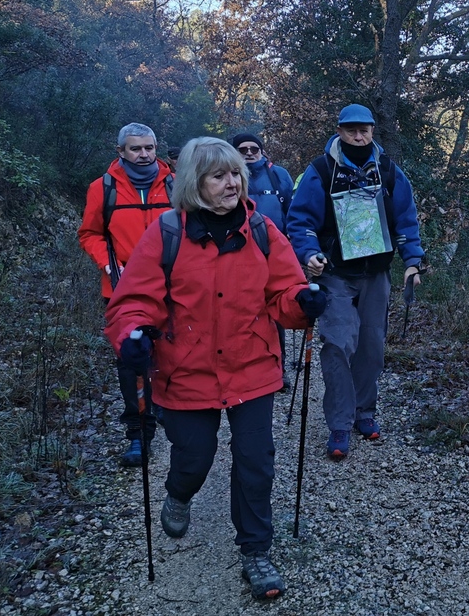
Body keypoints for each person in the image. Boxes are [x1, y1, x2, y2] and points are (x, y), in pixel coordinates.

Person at [104, 136, 327, 601]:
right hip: (186, 370)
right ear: (194, 182)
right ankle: (178, 493)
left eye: (236, 174)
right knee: (194, 457)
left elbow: (283, 293)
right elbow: (133, 303)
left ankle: (256, 552)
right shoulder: (166, 233)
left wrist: (303, 301)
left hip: (251, 367)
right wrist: (133, 336)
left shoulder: (262, 230)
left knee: (255, 462)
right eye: (219, 175)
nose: (233, 182)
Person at [286, 103, 425, 459]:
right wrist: (309, 253)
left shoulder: (390, 171)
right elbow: (300, 221)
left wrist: (412, 261)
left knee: (370, 348)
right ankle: (339, 423)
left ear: (373, 130)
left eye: (364, 130)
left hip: (376, 274)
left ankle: (365, 411)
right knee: (336, 344)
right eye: (351, 130)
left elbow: (407, 220)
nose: (358, 136)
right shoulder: (320, 170)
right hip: (335, 275)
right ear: (339, 130)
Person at [78, 122, 173, 467]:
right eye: (136, 148)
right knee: (130, 359)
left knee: (172, 350)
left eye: (149, 147)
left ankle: (168, 406)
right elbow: (90, 233)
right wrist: (108, 264)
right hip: (122, 289)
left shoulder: (175, 184)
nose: (144, 154)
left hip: (171, 286)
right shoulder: (102, 189)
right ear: (120, 151)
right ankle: (138, 434)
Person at [231, 133, 295, 389]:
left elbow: (293, 212)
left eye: (253, 148)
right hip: (233, 252)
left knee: (273, 311)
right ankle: (239, 367)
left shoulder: (278, 176)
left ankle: (278, 368)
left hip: (272, 254)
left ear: (262, 150)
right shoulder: (224, 175)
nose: (248, 153)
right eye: (242, 149)